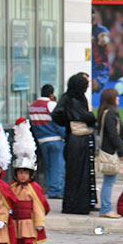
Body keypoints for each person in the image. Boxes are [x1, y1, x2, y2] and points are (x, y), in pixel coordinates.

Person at [51, 73, 97, 215]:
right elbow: (84, 115)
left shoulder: (75, 98)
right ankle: (75, 205)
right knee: (77, 173)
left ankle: (85, 203)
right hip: (77, 139)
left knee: (84, 173)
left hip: (80, 138)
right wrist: (73, 121)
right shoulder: (72, 99)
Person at [10, 117, 50, 244]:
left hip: (29, 221)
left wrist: (39, 222)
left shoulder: (34, 188)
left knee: (29, 242)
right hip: (16, 220)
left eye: (26, 173)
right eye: (20, 173)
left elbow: (39, 206)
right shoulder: (12, 187)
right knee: (19, 243)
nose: (22, 176)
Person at [28, 84, 66, 199]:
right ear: (51, 94)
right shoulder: (51, 104)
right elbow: (59, 122)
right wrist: (65, 136)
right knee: (58, 167)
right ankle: (56, 190)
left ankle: (51, 188)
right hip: (55, 139)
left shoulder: (32, 106)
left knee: (49, 166)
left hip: (41, 140)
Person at [96, 88, 123, 218]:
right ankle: (105, 208)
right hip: (109, 151)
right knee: (109, 180)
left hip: (110, 150)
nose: (118, 99)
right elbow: (113, 135)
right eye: (116, 97)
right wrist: (122, 151)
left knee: (109, 180)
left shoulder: (109, 113)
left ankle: (106, 207)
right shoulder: (109, 114)